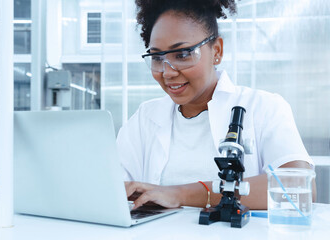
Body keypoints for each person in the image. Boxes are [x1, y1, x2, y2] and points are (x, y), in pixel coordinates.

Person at [116, 0, 314, 210]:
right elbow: (111, 185)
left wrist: (180, 194)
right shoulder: (145, 117)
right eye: (157, 57)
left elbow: (299, 188)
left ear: (217, 51)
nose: (168, 72)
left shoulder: (263, 107)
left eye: (182, 54)